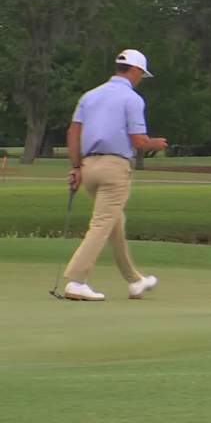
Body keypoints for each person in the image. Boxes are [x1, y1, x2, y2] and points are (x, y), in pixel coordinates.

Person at [62, 49, 168, 301]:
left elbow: (73, 133)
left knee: (114, 224)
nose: (140, 78)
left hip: (88, 167)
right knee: (101, 224)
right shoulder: (132, 99)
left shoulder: (90, 95)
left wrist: (75, 167)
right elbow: (138, 140)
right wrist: (156, 144)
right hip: (114, 169)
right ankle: (77, 281)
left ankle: (135, 281)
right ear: (134, 71)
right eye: (141, 74)